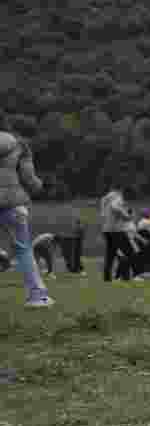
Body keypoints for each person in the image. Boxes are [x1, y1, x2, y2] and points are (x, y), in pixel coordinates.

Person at [0, 119, 55, 307]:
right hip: (13, 202)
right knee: (24, 250)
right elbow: (28, 178)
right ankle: (38, 297)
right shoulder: (19, 145)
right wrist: (41, 188)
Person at [99, 188, 138, 282]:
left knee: (110, 255)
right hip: (116, 231)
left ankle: (107, 278)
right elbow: (115, 207)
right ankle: (125, 277)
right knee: (130, 252)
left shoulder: (110, 197)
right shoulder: (118, 199)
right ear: (126, 194)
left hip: (107, 230)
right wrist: (126, 216)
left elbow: (104, 202)